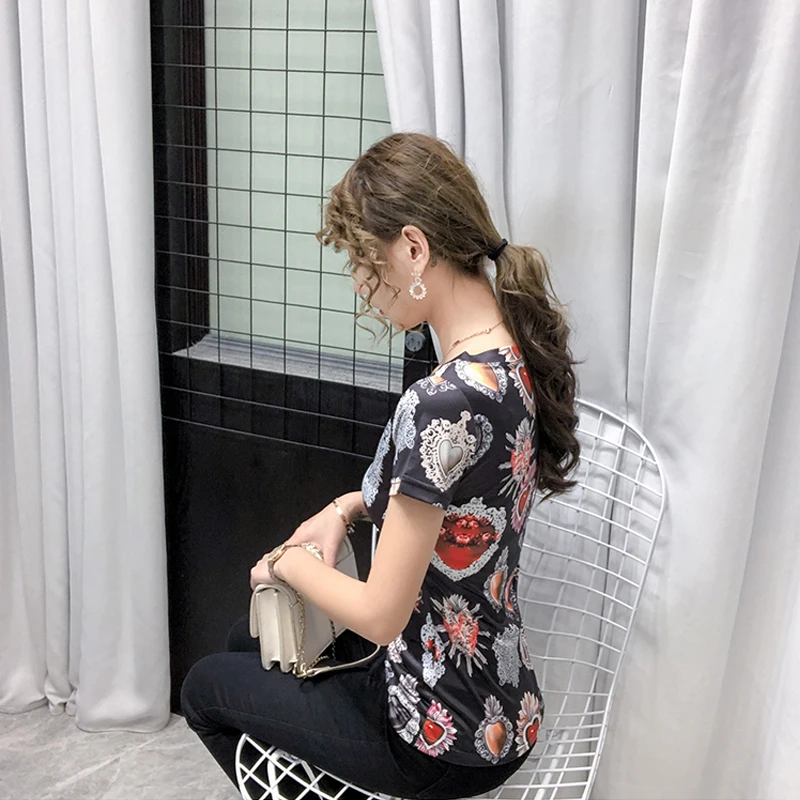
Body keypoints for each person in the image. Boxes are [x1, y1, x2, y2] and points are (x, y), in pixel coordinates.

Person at [181, 132, 580, 800]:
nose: (361, 285)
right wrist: (342, 508)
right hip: (500, 704)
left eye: (363, 260)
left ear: (414, 249)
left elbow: (380, 615)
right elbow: (455, 495)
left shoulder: (441, 401)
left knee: (203, 689)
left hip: (435, 734)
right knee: (246, 641)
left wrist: (288, 562)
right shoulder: (510, 358)